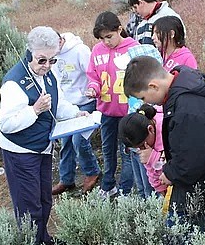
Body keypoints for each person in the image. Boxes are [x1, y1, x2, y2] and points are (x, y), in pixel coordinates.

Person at [0, 26, 85, 245]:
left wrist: (76, 113)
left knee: (44, 198)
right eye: (42, 60)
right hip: (20, 150)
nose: (46, 66)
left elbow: (58, 102)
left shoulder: (49, 73)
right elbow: (6, 123)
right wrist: (34, 110)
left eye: (52, 61)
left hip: (42, 146)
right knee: (28, 203)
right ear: (29, 52)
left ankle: (43, 239)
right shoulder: (14, 82)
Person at [123, 56, 205, 220]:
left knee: (194, 231)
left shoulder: (188, 109)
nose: (145, 103)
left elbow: (193, 157)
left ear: (153, 86)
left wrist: (171, 173)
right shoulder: (179, 85)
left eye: (143, 98)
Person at [85, 11, 139, 197]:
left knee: (128, 153)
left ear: (119, 29)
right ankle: (108, 185)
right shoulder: (97, 51)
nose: (106, 41)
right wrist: (93, 89)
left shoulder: (133, 48)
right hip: (107, 111)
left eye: (109, 36)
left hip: (127, 112)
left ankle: (125, 189)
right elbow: (93, 76)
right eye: (102, 38)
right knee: (108, 151)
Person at [51, 31, 101, 195]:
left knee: (79, 140)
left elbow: (93, 74)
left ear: (60, 40)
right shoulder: (52, 56)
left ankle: (92, 171)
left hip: (85, 102)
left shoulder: (80, 50)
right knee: (65, 141)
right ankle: (66, 179)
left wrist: (91, 91)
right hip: (67, 105)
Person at [114, 44, 165, 198]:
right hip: (139, 136)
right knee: (143, 183)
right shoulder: (137, 98)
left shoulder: (162, 123)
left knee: (150, 190)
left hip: (147, 142)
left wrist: (153, 157)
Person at [118, 103, 167, 196]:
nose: (141, 149)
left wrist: (153, 157)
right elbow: (150, 168)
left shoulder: (167, 130)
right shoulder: (147, 140)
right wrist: (159, 188)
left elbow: (177, 163)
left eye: (141, 145)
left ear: (150, 129)